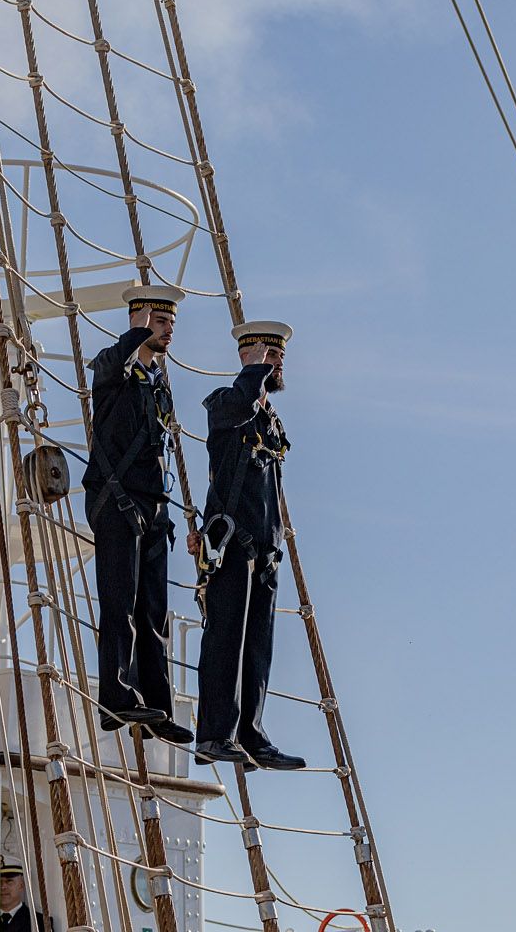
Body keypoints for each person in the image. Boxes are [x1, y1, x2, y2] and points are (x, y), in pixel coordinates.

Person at [188, 320, 305, 771]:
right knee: (224, 640)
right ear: (249, 357)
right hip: (230, 544)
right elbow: (238, 403)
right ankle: (215, 734)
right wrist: (253, 368)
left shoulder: (271, 422)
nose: (278, 365)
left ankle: (251, 734)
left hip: (266, 547)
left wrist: (274, 545)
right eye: (271, 356)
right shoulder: (224, 405)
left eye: (278, 358)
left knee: (258, 646)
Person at [80, 283, 193, 744]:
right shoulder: (111, 369)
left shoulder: (158, 384)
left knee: (152, 613)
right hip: (117, 503)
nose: (168, 332)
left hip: (153, 508)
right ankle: (116, 699)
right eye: (161, 322)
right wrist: (139, 329)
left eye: (170, 324)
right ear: (140, 319)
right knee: (119, 606)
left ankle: (157, 706)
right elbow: (115, 360)